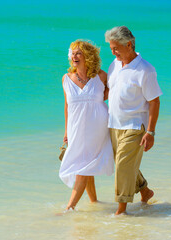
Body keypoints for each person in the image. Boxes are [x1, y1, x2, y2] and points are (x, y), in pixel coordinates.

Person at [105, 26, 162, 215]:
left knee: (122, 165)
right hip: (114, 125)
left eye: (116, 48)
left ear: (129, 44)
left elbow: (154, 101)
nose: (113, 52)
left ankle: (121, 210)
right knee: (126, 164)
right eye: (111, 48)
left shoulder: (145, 70)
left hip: (135, 126)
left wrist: (151, 132)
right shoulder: (114, 65)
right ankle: (145, 191)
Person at [59, 40, 114, 211]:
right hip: (75, 128)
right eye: (73, 53)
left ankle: (69, 208)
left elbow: (113, 93)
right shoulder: (66, 79)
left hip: (97, 127)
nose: (74, 56)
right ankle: (94, 202)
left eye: (78, 53)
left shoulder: (101, 76)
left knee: (83, 166)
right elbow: (67, 106)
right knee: (85, 163)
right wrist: (67, 130)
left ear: (88, 56)